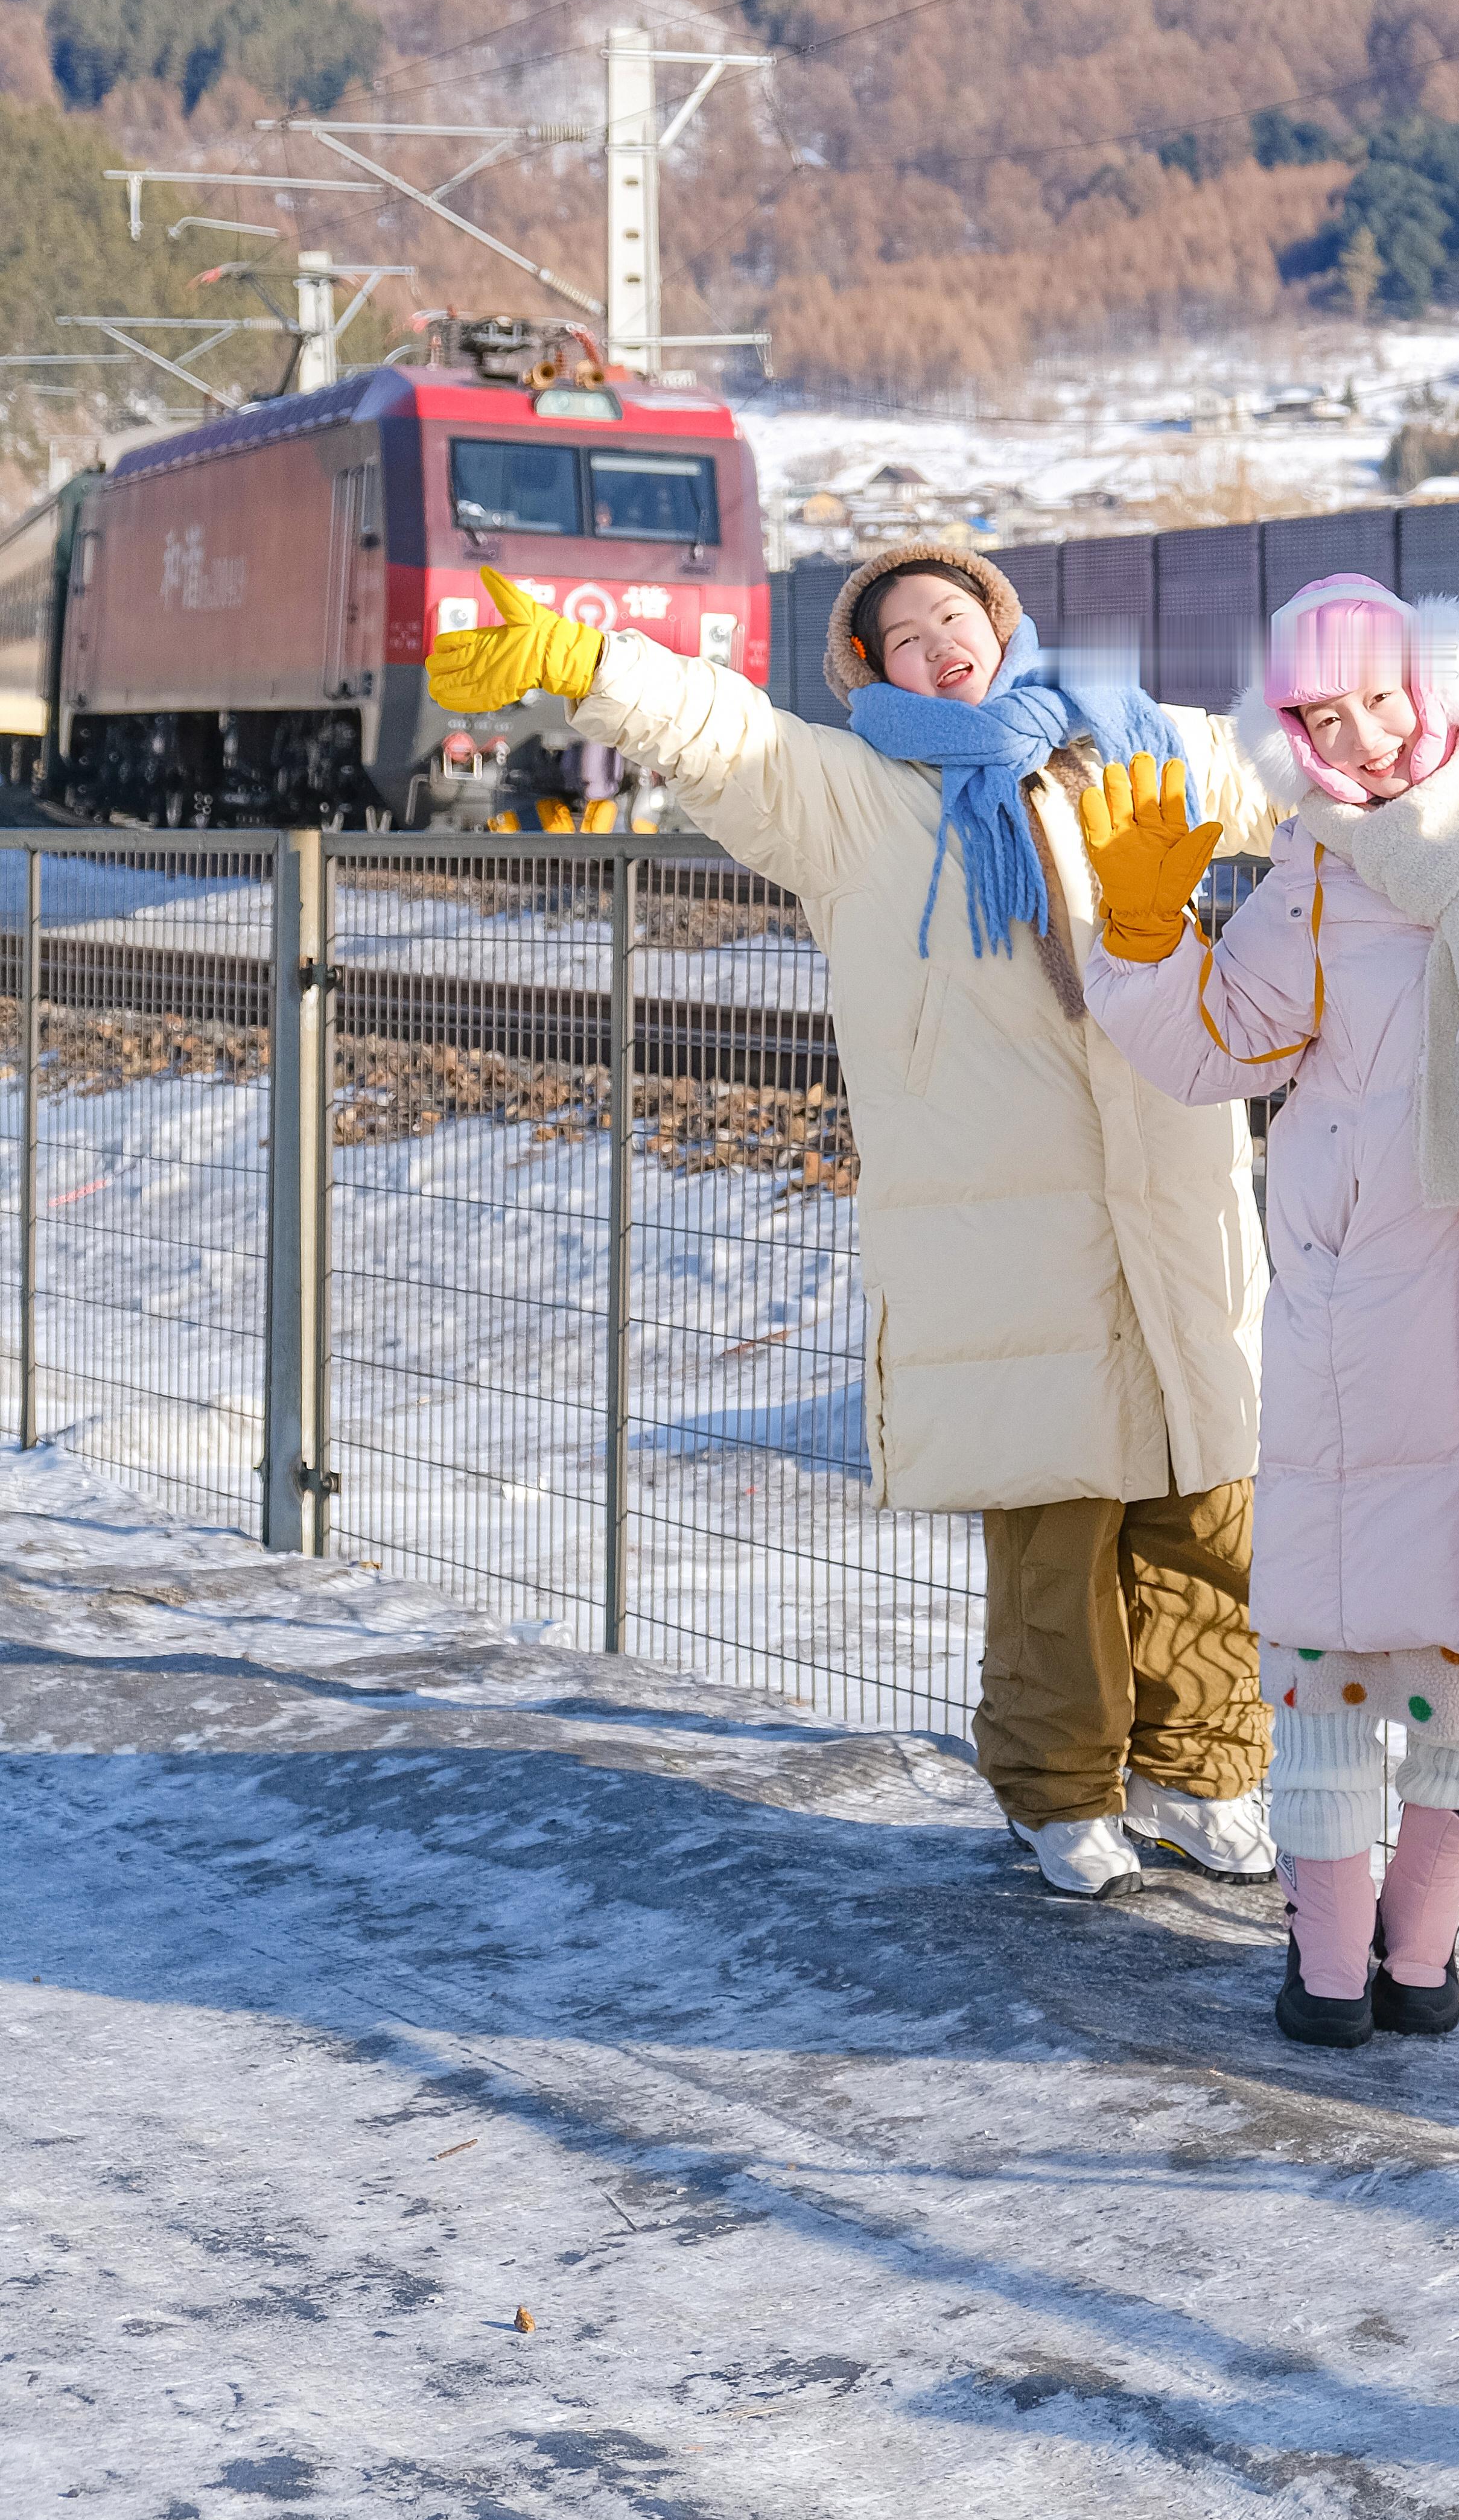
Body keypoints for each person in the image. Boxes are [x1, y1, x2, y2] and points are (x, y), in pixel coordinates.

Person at [427, 542, 1280, 1902]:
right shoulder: (850, 799)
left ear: (999, 624)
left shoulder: (1123, 742)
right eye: (905, 637)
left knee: (1205, 1504)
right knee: (1057, 1522)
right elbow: (725, 736)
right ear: (872, 672)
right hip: (1006, 1225)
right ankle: (1062, 1793)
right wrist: (592, 664)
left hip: (1177, 1202)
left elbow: (1302, 767)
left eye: (955, 615)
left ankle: (1204, 1773)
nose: (940, 644)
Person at [1072, 573, 1459, 2048]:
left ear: (1435, 682)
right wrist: (1143, 932)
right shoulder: (1312, 859)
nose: (1359, 738)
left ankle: (1419, 1960)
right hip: (1361, 1301)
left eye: (1379, 699)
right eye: (1320, 717)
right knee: (1330, 1645)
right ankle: (1325, 1976)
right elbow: (1222, 1047)